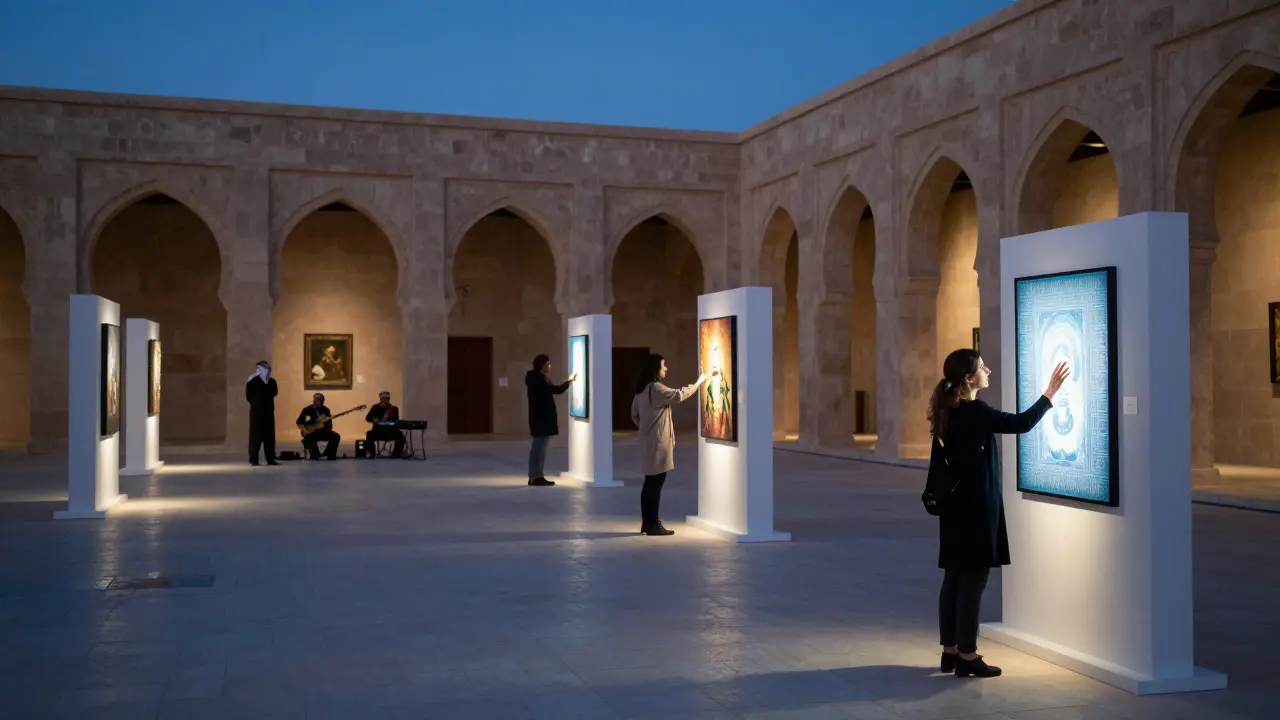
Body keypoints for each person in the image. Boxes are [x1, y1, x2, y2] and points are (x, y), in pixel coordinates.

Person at [926, 348, 1068, 678]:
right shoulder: (975, 411)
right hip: (976, 507)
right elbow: (1020, 423)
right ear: (968, 377)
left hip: (954, 507)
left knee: (953, 581)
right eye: (982, 368)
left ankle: (949, 651)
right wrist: (1049, 393)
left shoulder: (950, 410)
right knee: (973, 583)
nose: (988, 371)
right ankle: (968, 656)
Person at [630, 353, 709, 536]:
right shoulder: (655, 388)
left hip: (648, 441)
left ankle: (647, 522)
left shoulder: (642, 389)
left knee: (650, 481)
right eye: (663, 365)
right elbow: (678, 395)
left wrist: (645, 428)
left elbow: (634, 414)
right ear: (655, 368)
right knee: (655, 482)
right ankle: (652, 523)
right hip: (658, 443)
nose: (666, 368)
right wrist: (699, 382)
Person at [524, 354, 576, 487]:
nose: (550, 367)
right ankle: (537, 476)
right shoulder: (540, 381)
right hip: (542, 419)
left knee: (536, 448)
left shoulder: (535, 379)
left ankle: (534, 475)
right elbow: (556, 390)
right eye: (548, 364)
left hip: (537, 419)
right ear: (542, 366)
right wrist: (569, 381)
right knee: (540, 449)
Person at [245, 361, 279, 466]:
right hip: (257, 414)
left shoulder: (272, 382)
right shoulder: (252, 381)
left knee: (269, 436)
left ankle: (270, 458)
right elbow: (248, 396)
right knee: (256, 436)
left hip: (269, 413)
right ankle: (253, 459)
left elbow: (275, 393)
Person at [297, 392, 341, 460]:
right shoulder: (307, 409)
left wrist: (324, 425)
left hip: (323, 432)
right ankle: (315, 454)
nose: (315, 401)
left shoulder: (326, 410)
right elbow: (299, 421)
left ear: (322, 401)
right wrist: (306, 428)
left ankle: (329, 453)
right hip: (312, 433)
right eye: (314, 399)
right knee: (309, 438)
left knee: (336, 436)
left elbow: (330, 425)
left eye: (318, 400)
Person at [364, 391, 405, 458]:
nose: (383, 400)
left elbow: (395, 420)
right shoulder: (375, 407)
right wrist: (373, 419)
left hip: (390, 431)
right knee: (369, 434)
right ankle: (371, 453)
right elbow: (368, 417)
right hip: (378, 431)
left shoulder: (393, 409)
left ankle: (396, 454)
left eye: (385, 399)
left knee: (400, 435)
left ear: (388, 399)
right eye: (382, 399)